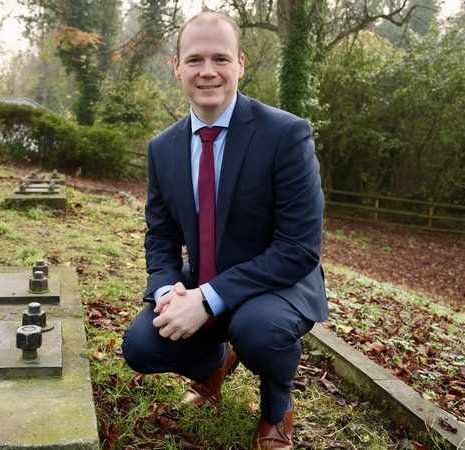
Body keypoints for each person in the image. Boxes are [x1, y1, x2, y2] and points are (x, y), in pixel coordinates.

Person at [121, 12, 328, 449]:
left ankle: (277, 410)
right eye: (195, 60)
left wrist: (208, 299)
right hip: (204, 279)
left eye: (221, 58)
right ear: (176, 66)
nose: (208, 71)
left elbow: (298, 248)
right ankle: (215, 362)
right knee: (140, 346)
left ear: (241, 64)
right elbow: (160, 237)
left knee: (260, 331)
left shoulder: (286, 134)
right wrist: (167, 293)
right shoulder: (163, 148)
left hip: (279, 285)